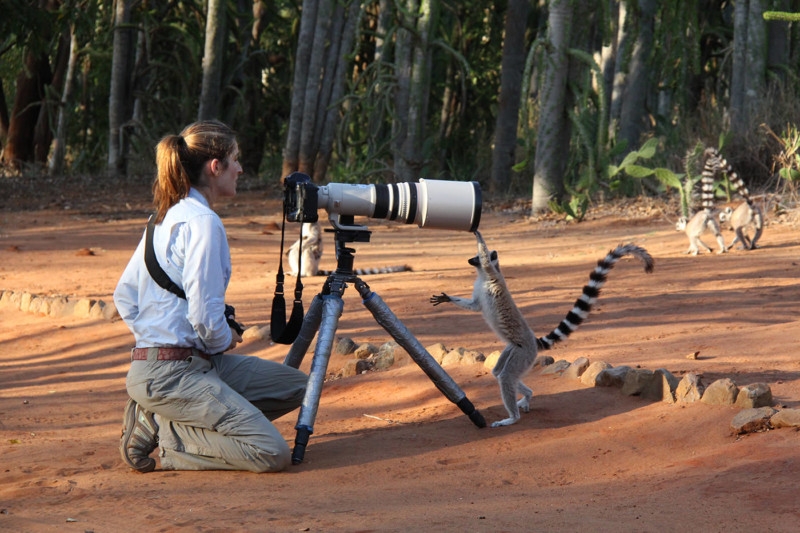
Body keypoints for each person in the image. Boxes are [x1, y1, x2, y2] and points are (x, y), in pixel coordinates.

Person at [114, 120, 307, 473]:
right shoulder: (202, 222)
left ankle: (162, 415)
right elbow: (204, 315)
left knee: (299, 389)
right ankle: (171, 439)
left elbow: (124, 295)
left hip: (192, 363)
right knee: (270, 452)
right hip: (172, 373)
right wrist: (220, 339)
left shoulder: (163, 216)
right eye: (235, 159)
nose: (240, 168)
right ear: (214, 167)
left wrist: (154, 339)